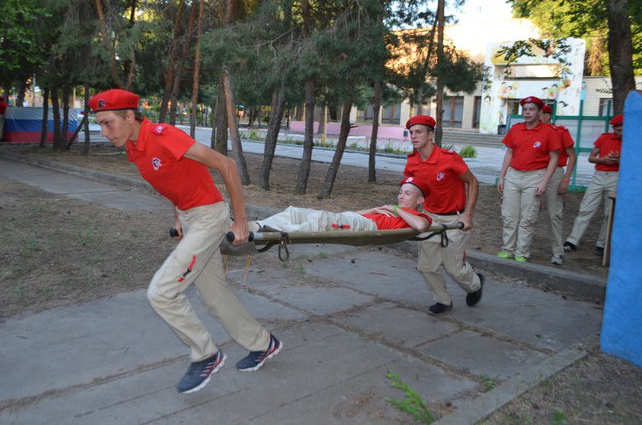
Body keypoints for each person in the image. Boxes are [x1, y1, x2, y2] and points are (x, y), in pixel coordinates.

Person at [89, 88, 281, 394]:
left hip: (210, 217)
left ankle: (205, 354)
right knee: (213, 295)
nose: (103, 131)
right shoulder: (134, 147)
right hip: (192, 219)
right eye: (99, 124)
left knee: (162, 292)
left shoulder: (164, 136)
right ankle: (264, 343)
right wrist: (179, 217)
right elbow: (171, 182)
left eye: (108, 123)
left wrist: (240, 219)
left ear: (129, 116)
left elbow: (227, 165)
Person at [403, 115, 484, 316]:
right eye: (411, 133)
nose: (413, 136)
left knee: (453, 267)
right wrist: (408, 215)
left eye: (419, 132)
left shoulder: (449, 159)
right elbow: (410, 192)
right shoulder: (412, 163)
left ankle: (475, 284)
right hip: (430, 218)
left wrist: (468, 214)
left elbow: (473, 182)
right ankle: (443, 300)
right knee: (426, 266)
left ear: (431, 135)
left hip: (455, 220)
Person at [497, 96, 560, 263]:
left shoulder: (549, 132)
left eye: (532, 109)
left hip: (535, 176)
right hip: (513, 175)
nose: (527, 112)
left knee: (527, 218)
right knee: (509, 216)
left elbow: (554, 158)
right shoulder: (516, 129)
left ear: (540, 112)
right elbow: (509, 153)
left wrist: (544, 182)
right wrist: (502, 176)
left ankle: (521, 253)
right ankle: (507, 249)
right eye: (525, 109)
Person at [252, 178, 432, 234]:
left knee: (320, 220)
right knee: (296, 211)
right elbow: (350, 215)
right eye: (400, 192)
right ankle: (256, 225)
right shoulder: (393, 209)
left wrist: (395, 209)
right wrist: (372, 210)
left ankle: (271, 231)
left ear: (419, 201)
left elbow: (421, 226)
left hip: (367, 227)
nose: (401, 196)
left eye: (407, 193)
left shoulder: (417, 216)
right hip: (354, 219)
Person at [563, 114, 623, 256]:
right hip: (599, 176)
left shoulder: (632, 141)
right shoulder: (605, 138)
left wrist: (618, 161)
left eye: (621, 129)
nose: (619, 133)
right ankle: (572, 240)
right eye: (617, 130)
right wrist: (603, 160)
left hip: (616, 177)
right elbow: (591, 157)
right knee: (586, 208)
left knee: (610, 213)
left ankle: (602, 243)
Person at [539, 105, 577, 266]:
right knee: (528, 212)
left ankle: (557, 251)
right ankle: (520, 250)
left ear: (547, 115)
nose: (535, 115)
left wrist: (566, 180)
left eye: (539, 113)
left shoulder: (560, 131)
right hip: (534, 172)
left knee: (554, 214)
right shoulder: (531, 131)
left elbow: (572, 156)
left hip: (554, 173)